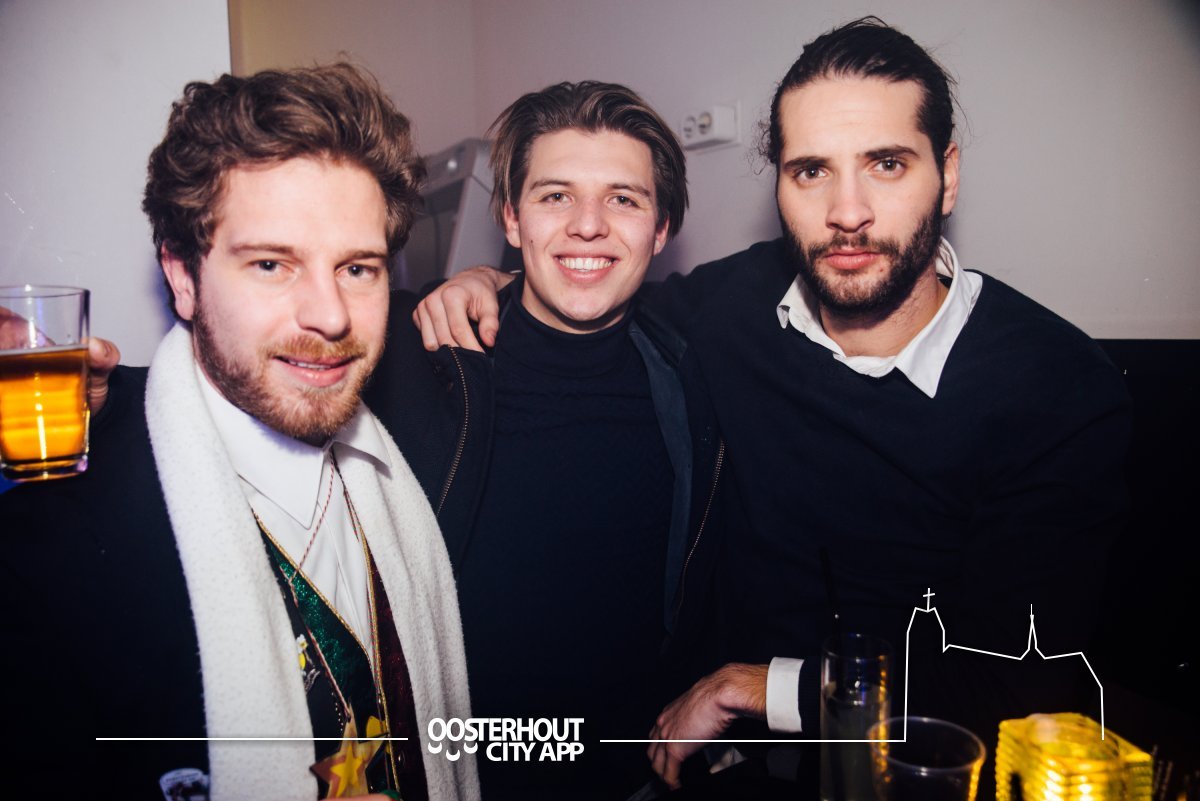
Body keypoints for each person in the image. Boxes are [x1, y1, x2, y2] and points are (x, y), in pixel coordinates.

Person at [413, 17, 1132, 791]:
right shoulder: (732, 308)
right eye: (811, 170)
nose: (848, 210)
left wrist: (760, 687)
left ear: (947, 174)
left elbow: (1019, 684)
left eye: (887, 164)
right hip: (713, 770)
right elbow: (591, 274)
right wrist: (484, 281)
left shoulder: (1055, 387)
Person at [0, 64, 477, 801]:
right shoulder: (59, 552)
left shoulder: (425, 429)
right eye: (271, 264)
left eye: (358, 268)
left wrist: (495, 278)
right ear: (182, 277)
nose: (330, 315)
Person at [365, 81, 723, 800]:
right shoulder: (409, 355)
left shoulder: (697, 373)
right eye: (556, 195)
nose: (588, 225)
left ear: (660, 229)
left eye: (623, 199)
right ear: (511, 215)